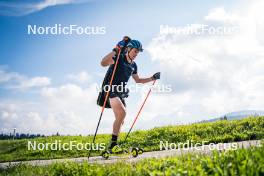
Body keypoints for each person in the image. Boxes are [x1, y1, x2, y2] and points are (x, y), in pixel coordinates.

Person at [98, 36, 160, 153]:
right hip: (110, 88)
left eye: (138, 52)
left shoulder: (133, 65)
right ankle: (113, 146)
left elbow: (138, 80)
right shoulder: (119, 58)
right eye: (135, 51)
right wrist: (116, 49)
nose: (137, 54)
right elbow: (103, 63)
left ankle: (114, 146)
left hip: (120, 92)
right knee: (122, 113)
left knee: (121, 119)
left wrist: (152, 78)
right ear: (128, 49)